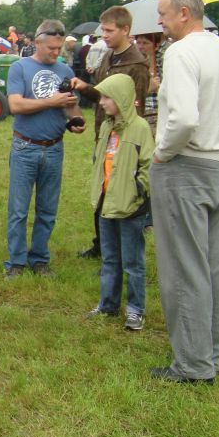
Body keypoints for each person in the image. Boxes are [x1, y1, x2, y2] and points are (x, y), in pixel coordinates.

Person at [149, 0, 219, 384]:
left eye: (163, 12)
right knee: (212, 268)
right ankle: (211, 355)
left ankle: (193, 365)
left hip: (185, 166)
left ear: (184, 13)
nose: (159, 19)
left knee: (183, 269)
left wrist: (164, 153)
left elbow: (184, 118)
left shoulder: (181, 52)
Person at [4, 20, 87, 279]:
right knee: (18, 209)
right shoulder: (20, 68)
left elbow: (70, 107)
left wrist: (75, 119)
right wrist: (51, 101)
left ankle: (39, 259)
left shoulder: (64, 70)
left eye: (59, 47)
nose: (56, 52)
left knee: (47, 209)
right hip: (25, 146)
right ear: (38, 42)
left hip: (53, 147)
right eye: (51, 47)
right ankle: (16, 262)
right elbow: (15, 106)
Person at [71, 6, 150, 260]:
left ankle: (116, 250)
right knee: (101, 189)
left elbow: (132, 107)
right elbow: (105, 95)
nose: (103, 35)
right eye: (102, 30)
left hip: (123, 140)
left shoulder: (137, 64)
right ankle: (101, 244)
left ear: (125, 30)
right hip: (103, 133)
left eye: (109, 30)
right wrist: (85, 88)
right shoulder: (108, 56)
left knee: (120, 193)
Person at [84, 74, 153, 330]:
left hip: (130, 208)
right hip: (106, 204)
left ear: (121, 99)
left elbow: (148, 165)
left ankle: (136, 310)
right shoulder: (106, 127)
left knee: (133, 263)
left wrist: (138, 191)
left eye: (106, 97)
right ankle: (108, 305)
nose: (101, 102)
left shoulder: (140, 129)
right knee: (110, 259)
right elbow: (99, 160)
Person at [134, 32, 167, 137]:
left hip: (161, 112)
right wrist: (148, 88)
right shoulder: (136, 66)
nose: (141, 46)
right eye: (138, 42)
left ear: (156, 45)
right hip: (142, 111)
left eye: (145, 43)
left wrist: (159, 87)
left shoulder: (163, 63)